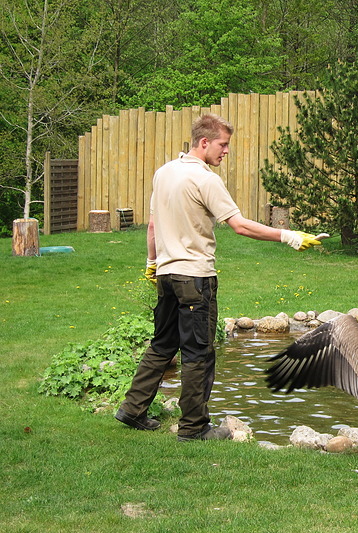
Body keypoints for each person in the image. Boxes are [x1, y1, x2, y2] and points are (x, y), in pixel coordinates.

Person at [115, 114, 323, 441]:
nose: (226, 151)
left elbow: (153, 225)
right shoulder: (206, 179)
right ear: (204, 142)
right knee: (198, 352)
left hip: (167, 276)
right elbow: (239, 225)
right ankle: (194, 427)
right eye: (223, 145)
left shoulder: (164, 173)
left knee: (163, 344)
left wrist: (151, 262)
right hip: (195, 279)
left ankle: (132, 409)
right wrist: (289, 236)